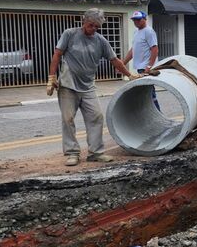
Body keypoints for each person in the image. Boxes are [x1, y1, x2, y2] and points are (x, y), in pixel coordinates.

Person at [47, 9, 140, 166]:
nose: (94, 29)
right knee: (68, 119)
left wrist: (129, 75)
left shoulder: (100, 41)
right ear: (84, 21)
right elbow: (57, 54)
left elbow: (115, 60)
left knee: (96, 117)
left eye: (97, 26)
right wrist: (51, 77)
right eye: (91, 25)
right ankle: (72, 153)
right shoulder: (70, 34)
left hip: (88, 86)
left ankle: (95, 153)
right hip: (68, 85)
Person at [124, 11, 160, 110]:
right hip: (140, 68)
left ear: (145, 19)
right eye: (134, 20)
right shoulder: (136, 32)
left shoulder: (149, 31)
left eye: (138, 20)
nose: (136, 22)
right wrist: (123, 63)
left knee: (150, 94)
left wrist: (149, 66)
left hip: (146, 68)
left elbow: (154, 49)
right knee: (144, 94)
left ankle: (157, 114)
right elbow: (133, 50)